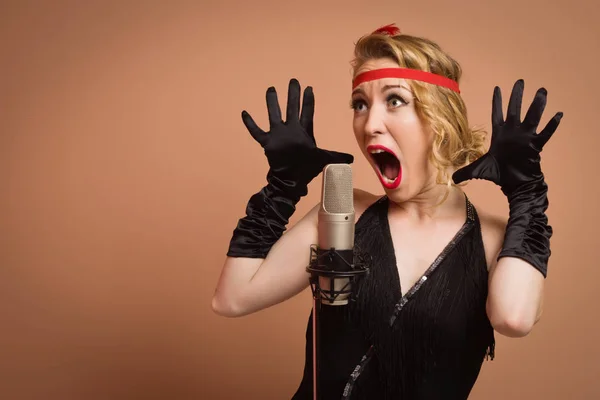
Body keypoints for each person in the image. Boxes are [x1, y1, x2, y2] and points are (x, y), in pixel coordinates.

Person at [211, 23, 563, 399]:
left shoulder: (495, 238)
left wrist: (527, 196)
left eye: (394, 100)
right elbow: (231, 298)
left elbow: (514, 318)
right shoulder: (341, 214)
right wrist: (283, 187)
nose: (369, 124)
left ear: (440, 118)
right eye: (360, 104)